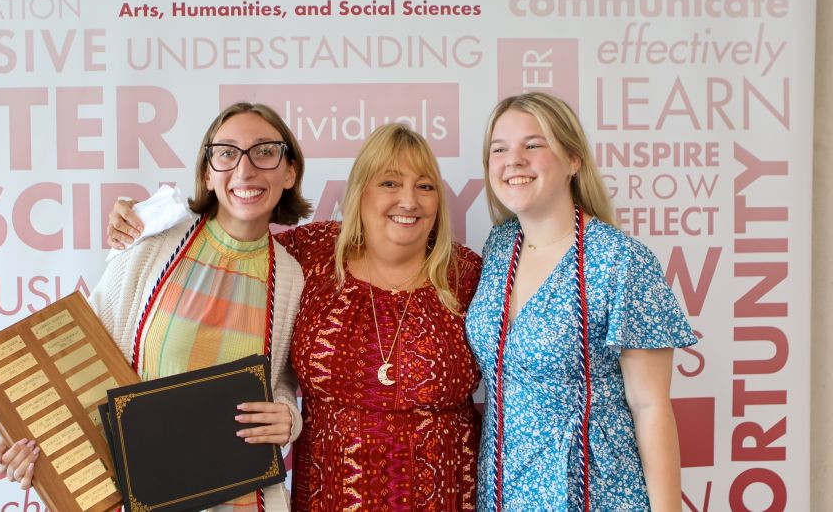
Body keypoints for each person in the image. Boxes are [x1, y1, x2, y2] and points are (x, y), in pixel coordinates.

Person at [109, 123, 482, 511]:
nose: (409, 200)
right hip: (329, 495)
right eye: (389, 183)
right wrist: (145, 222)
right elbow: (225, 245)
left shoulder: (468, 275)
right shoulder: (310, 254)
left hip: (445, 495)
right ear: (360, 192)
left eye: (425, 186)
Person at [0, 102, 312, 512]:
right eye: (227, 153)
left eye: (265, 152)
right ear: (207, 173)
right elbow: (82, 345)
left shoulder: (290, 277)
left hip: (243, 500)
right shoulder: (152, 240)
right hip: (149, 497)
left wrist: (288, 417)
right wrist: (23, 427)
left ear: (290, 172)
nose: (245, 171)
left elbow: (280, 380)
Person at [464, 92, 697, 512]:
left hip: (594, 491)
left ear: (573, 159)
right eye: (499, 149)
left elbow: (651, 406)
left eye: (533, 145)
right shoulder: (499, 248)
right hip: (503, 489)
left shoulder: (620, 260)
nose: (512, 160)